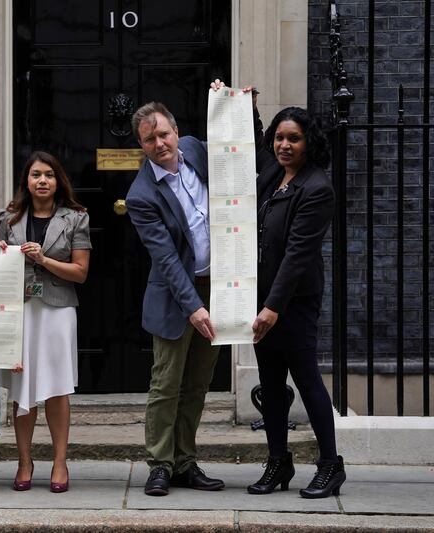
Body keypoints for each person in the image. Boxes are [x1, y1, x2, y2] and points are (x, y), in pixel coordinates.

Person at [125, 101, 227, 496]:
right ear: (141, 144)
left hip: (214, 287)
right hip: (175, 297)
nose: (160, 143)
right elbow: (166, 259)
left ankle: (186, 461)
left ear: (175, 130)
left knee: (198, 383)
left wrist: (241, 108)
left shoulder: (197, 150)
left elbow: (240, 150)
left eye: (164, 133)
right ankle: (160, 465)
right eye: (150, 139)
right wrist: (194, 308)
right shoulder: (141, 195)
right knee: (167, 383)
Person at [248, 106, 346, 498]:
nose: (284, 145)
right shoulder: (273, 172)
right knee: (271, 386)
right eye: (279, 138)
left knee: (307, 383)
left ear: (309, 143)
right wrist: (244, 107)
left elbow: (298, 255)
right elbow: (253, 150)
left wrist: (272, 308)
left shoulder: (317, 188)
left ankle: (330, 465)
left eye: (294, 138)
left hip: (293, 304)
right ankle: (277, 462)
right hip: (263, 299)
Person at [0, 151, 91, 493]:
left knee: (57, 386)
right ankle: (24, 461)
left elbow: (80, 273)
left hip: (58, 308)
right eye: (36, 174)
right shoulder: (8, 219)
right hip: (20, 308)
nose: (42, 181)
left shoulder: (76, 218)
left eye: (48, 175)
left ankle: (60, 461)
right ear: (27, 180)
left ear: (57, 179)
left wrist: (44, 259)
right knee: (24, 386)